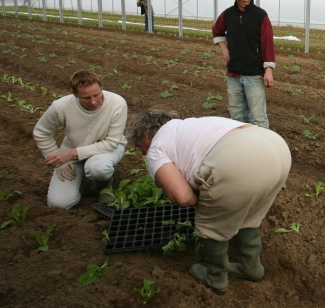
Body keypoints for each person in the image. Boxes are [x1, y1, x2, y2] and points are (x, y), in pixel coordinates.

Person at [127, 110, 291, 295]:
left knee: (210, 226)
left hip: (239, 161)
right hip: (276, 148)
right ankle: (251, 267)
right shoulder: (189, 125)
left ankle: (216, 277)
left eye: (139, 147)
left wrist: (207, 202)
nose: (142, 152)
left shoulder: (156, 148)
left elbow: (183, 197)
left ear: (144, 136)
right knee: (248, 215)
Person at [33, 70, 127, 209]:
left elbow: (111, 143)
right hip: (74, 148)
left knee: (98, 168)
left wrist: (70, 154)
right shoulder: (61, 106)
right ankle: (85, 179)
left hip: (106, 149)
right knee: (59, 204)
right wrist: (59, 162)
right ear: (75, 94)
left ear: (101, 87)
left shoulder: (117, 103)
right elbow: (41, 132)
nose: (94, 101)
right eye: (86, 98)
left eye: (97, 95)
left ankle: (103, 185)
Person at [212, 0, 275, 129]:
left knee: (258, 117)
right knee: (236, 115)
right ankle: (242, 147)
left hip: (254, 74)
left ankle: (261, 147)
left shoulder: (260, 15)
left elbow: (267, 43)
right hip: (233, 74)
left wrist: (268, 70)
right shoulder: (227, 15)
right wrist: (224, 48)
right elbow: (217, 30)